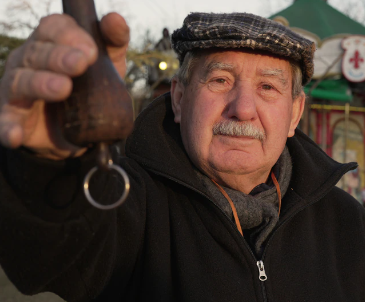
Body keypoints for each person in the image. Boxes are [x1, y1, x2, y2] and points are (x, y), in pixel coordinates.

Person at [0, 11, 364, 302]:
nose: (242, 109)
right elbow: (50, 247)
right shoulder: (127, 202)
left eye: (268, 87)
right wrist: (45, 164)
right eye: (220, 80)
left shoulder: (347, 222)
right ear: (178, 98)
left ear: (295, 114)